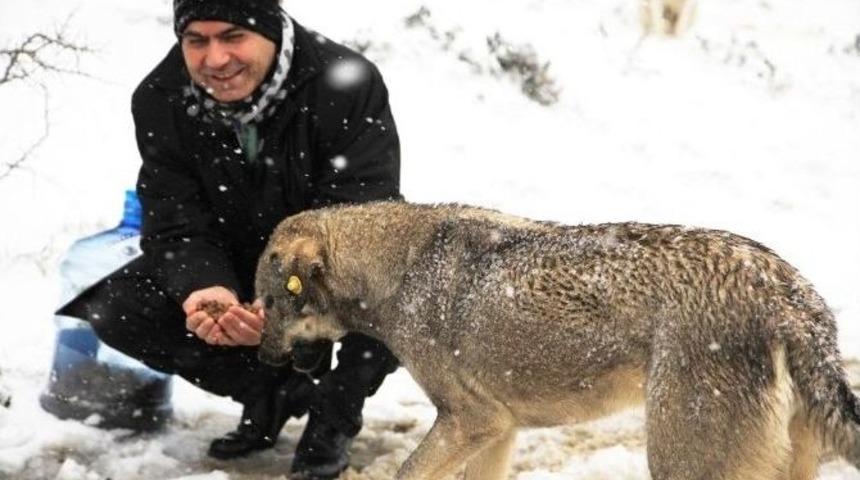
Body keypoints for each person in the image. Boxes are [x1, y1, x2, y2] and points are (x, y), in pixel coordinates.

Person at [57, 0, 401, 478]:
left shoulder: (345, 84)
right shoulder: (161, 97)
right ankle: (272, 393)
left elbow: (358, 220)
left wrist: (286, 305)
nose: (215, 59)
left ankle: (335, 412)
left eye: (233, 36)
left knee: (398, 292)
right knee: (119, 308)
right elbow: (176, 222)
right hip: (236, 257)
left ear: (271, 30)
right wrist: (205, 287)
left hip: (340, 262)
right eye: (196, 40)